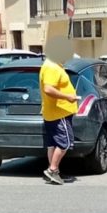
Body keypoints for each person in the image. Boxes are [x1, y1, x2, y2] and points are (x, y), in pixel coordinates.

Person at [39, 50, 80, 185]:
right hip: (59, 112)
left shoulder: (53, 65)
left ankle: (53, 172)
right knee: (65, 142)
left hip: (54, 112)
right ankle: (52, 169)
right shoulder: (52, 67)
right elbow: (48, 89)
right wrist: (68, 97)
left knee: (53, 144)